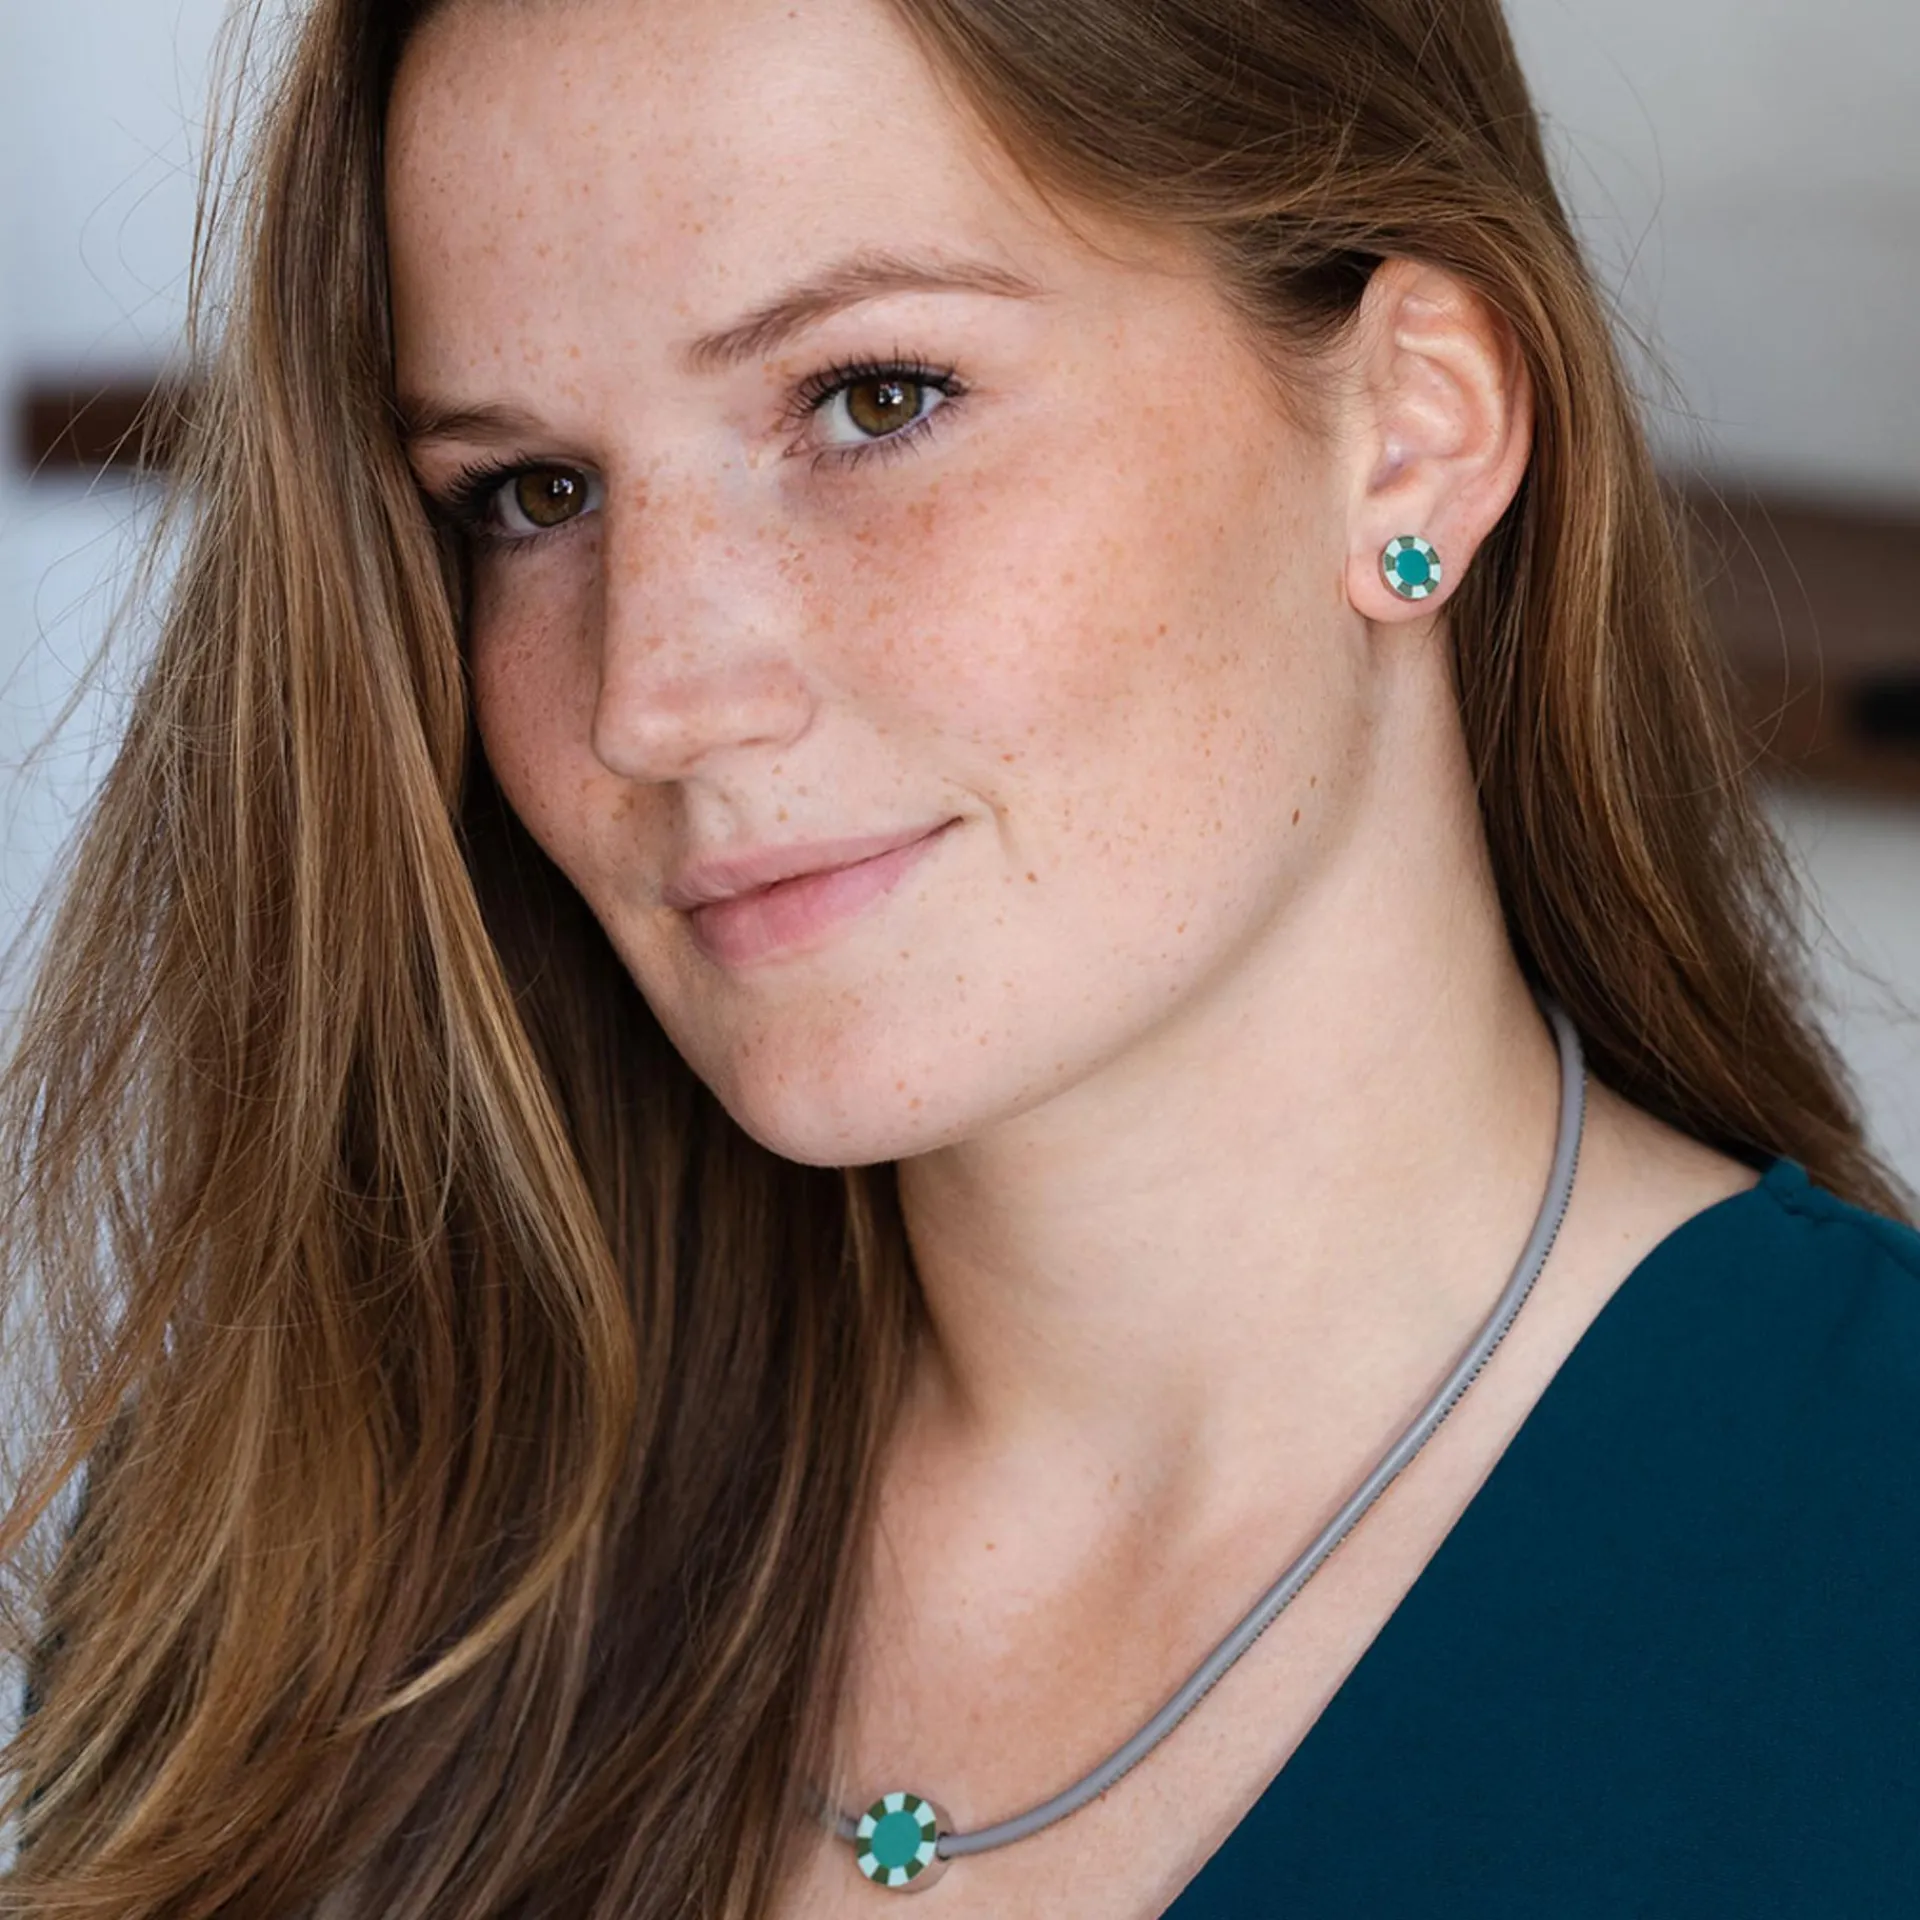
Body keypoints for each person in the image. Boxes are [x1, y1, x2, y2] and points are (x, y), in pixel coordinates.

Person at [2, 0, 1914, 1913]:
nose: (649, 698)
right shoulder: (318, 1536)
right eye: (533, 495)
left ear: (1412, 432)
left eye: (872, 401)